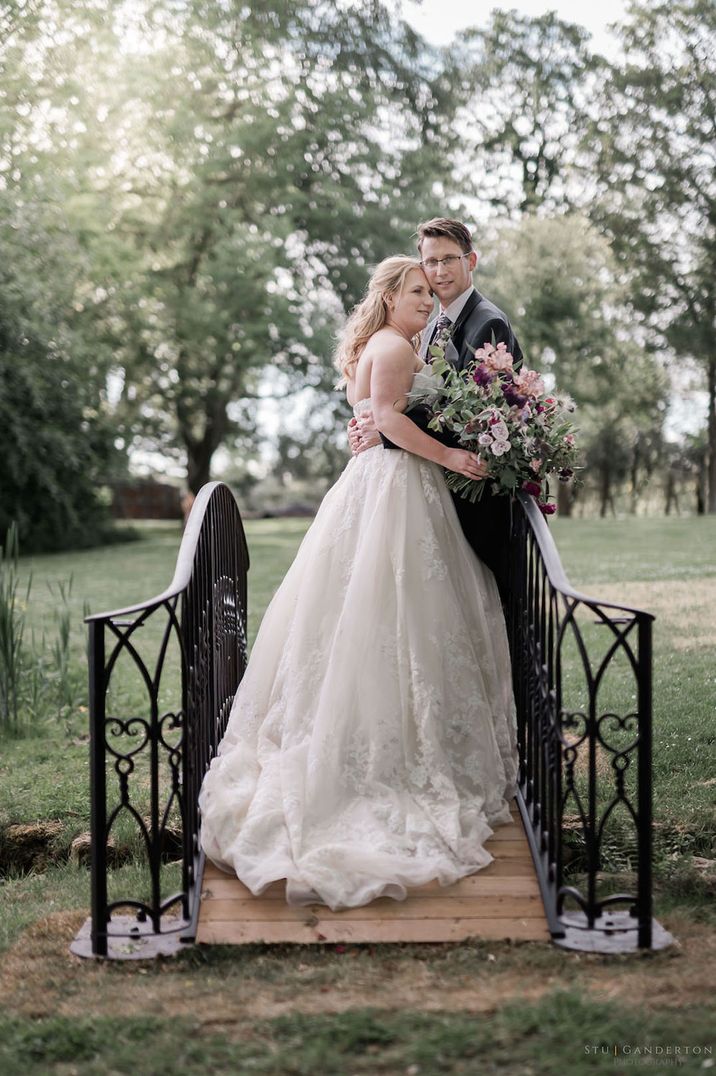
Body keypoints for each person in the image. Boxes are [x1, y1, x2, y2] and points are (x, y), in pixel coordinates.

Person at [198, 256, 519, 912]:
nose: (427, 302)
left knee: (363, 613)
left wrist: (383, 426)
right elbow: (392, 420)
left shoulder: (377, 344)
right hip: (399, 486)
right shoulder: (397, 344)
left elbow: (367, 413)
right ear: (391, 296)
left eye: (432, 294)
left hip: (370, 483)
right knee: (397, 610)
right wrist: (454, 455)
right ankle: (388, 757)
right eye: (417, 292)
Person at [348, 218, 523, 604]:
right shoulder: (424, 326)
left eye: (449, 259)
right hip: (429, 485)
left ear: (471, 260)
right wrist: (376, 419)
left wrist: (386, 429)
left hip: (474, 495)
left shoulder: (487, 323)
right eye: (431, 262)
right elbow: (408, 397)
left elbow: (476, 415)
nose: (440, 271)